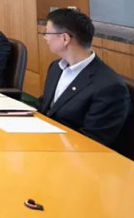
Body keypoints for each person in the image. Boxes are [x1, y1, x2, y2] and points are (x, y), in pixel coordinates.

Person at [38, 8, 130, 147]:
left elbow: (92, 141)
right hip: (47, 142)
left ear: (65, 38)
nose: (45, 38)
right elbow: (45, 106)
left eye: (47, 33)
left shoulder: (109, 86)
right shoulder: (56, 67)